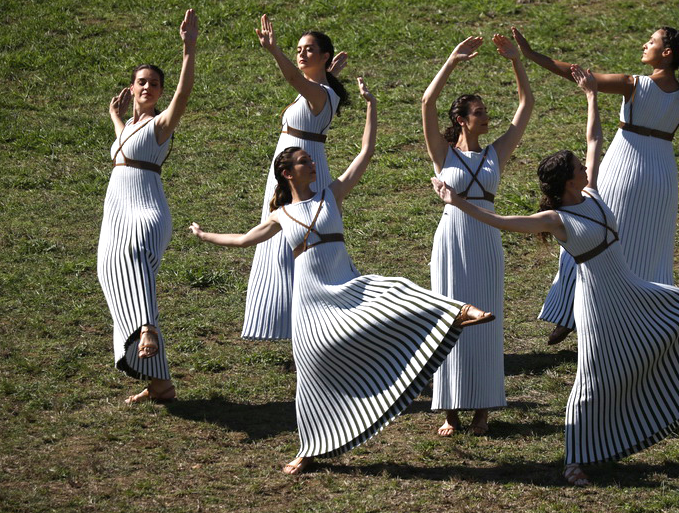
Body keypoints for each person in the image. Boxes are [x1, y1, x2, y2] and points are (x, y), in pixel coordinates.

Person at [431, 65, 679, 486]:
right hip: (596, 302)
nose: (587, 167)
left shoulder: (594, 193)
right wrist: (457, 203)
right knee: (590, 382)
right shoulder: (555, 218)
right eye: (579, 167)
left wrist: (593, 97)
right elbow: (505, 221)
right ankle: (574, 461)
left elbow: (595, 140)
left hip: (630, 288)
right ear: (566, 181)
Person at [190, 78, 494, 474]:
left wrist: (371, 107)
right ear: (287, 173)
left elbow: (365, 153)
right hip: (309, 301)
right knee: (310, 378)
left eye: (310, 160)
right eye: (303, 161)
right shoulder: (281, 215)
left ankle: (456, 310)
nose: (312, 163)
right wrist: (202, 234)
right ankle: (308, 449)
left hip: (346, 286)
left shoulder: (330, 194)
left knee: (394, 289)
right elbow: (243, 240)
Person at [512, 27, 679, 344]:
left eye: (652, 42)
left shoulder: (635, 85)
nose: (645, 44)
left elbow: (576, 74)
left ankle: (571, 313)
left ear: (666, 53)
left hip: (622, 168)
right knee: (649, 249)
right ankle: (644, 323)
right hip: (660, 177)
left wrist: (532, 56)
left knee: (585, 231)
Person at [422, 34, 534, 437]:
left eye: (486, 111)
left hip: (487, 240)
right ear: (462, 120)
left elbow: (526, 107)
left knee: (487, 318)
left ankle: (483, 411)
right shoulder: (444, 153)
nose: (487, 117)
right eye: (480, 112)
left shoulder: (494, 154)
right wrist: (451, 60)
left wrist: (516, 61)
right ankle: (450, 411)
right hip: (451, 238)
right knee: (449, 317)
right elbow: (427, 104)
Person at [97, 9, 198, 405]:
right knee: (110, 271)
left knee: (136, 267)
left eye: (154, 84)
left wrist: (188, 50)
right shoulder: (131, 128)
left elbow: (183, 97)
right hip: (116, 215)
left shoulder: (159, 126)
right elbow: (122, 143)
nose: (148, 87)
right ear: (132, 85)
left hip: (144, 212)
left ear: (159, 91)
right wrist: (113, 116)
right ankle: (160, 384)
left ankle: (146, 329)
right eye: (142, 81)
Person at [242, 15, 349, 341]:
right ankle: (294, 323)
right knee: (284, 240)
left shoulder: (321, 93)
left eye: (309, 50)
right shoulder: (322, 90)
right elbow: (311, 91)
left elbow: (293, 79)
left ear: (325, 55)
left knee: (294, 241)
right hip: (291, 168)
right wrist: (331, 73)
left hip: (300, 171)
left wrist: (275, 50)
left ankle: (315, 321)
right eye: (298, 49)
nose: (301, 54)